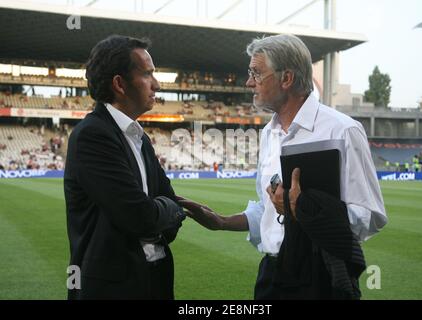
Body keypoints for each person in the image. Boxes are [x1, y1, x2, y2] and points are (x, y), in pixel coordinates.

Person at [179, 34, 387, 300]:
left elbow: (370, 215)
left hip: (323, 276)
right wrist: (222, 222)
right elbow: (269, 211)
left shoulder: (342, 130)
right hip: (272, 274)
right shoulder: (269, 133)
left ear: (286, 78)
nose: (249, 82)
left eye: (256, 73)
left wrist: (303, 210)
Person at [64, 35, 185, 300]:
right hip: (115, 287)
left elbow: (165, 209)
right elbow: (140, 216)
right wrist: (172, 209)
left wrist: (165, 210)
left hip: (155, 278)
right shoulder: (92, 135)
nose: (157, 84)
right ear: (119, 83)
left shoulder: (139, 137)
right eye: (148, 74)